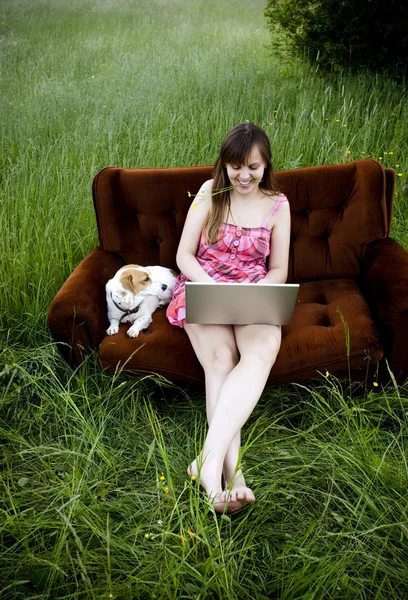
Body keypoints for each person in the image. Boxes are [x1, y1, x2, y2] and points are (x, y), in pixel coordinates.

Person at [166, 122, 291, 513]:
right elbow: (184, 255)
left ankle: (206, 460)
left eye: (253, 167)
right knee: (221, 360)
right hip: (204, 286)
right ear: (225, 165)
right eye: (236, 166)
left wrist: (258, 294)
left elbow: (279, 270)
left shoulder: (278, 204)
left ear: (266, 164)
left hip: (253, 291)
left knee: (264, 347)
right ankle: (233, 475)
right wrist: (212, 287)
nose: (244, 176)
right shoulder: (210, 192)